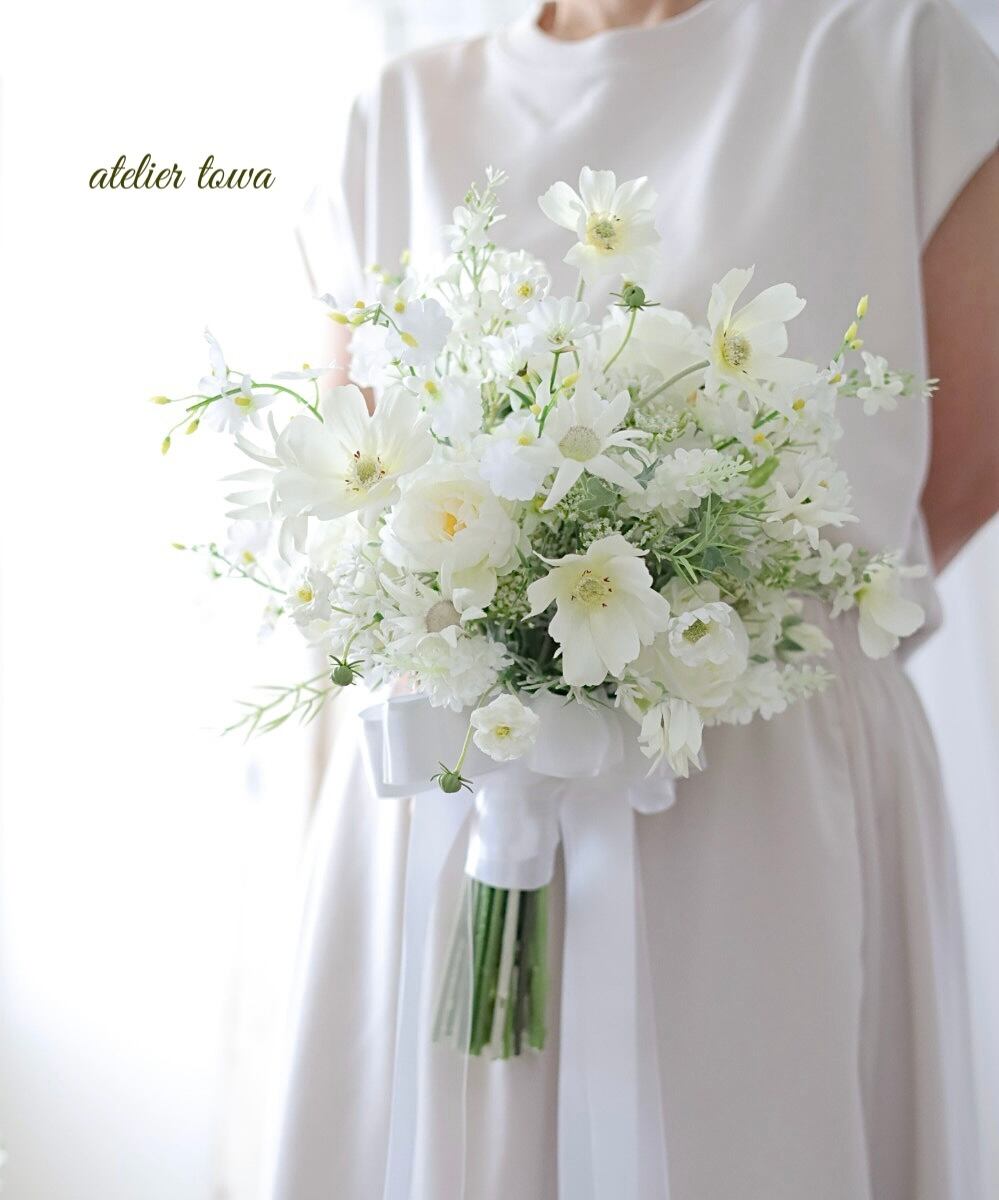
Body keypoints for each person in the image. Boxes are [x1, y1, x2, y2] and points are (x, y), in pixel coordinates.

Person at [265, 1, 999, 1197]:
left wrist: (701, 608)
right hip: (457, 781)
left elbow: (958, 470)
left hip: (760, 791)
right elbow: (352, 471)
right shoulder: (396, 114)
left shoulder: (893, 54)